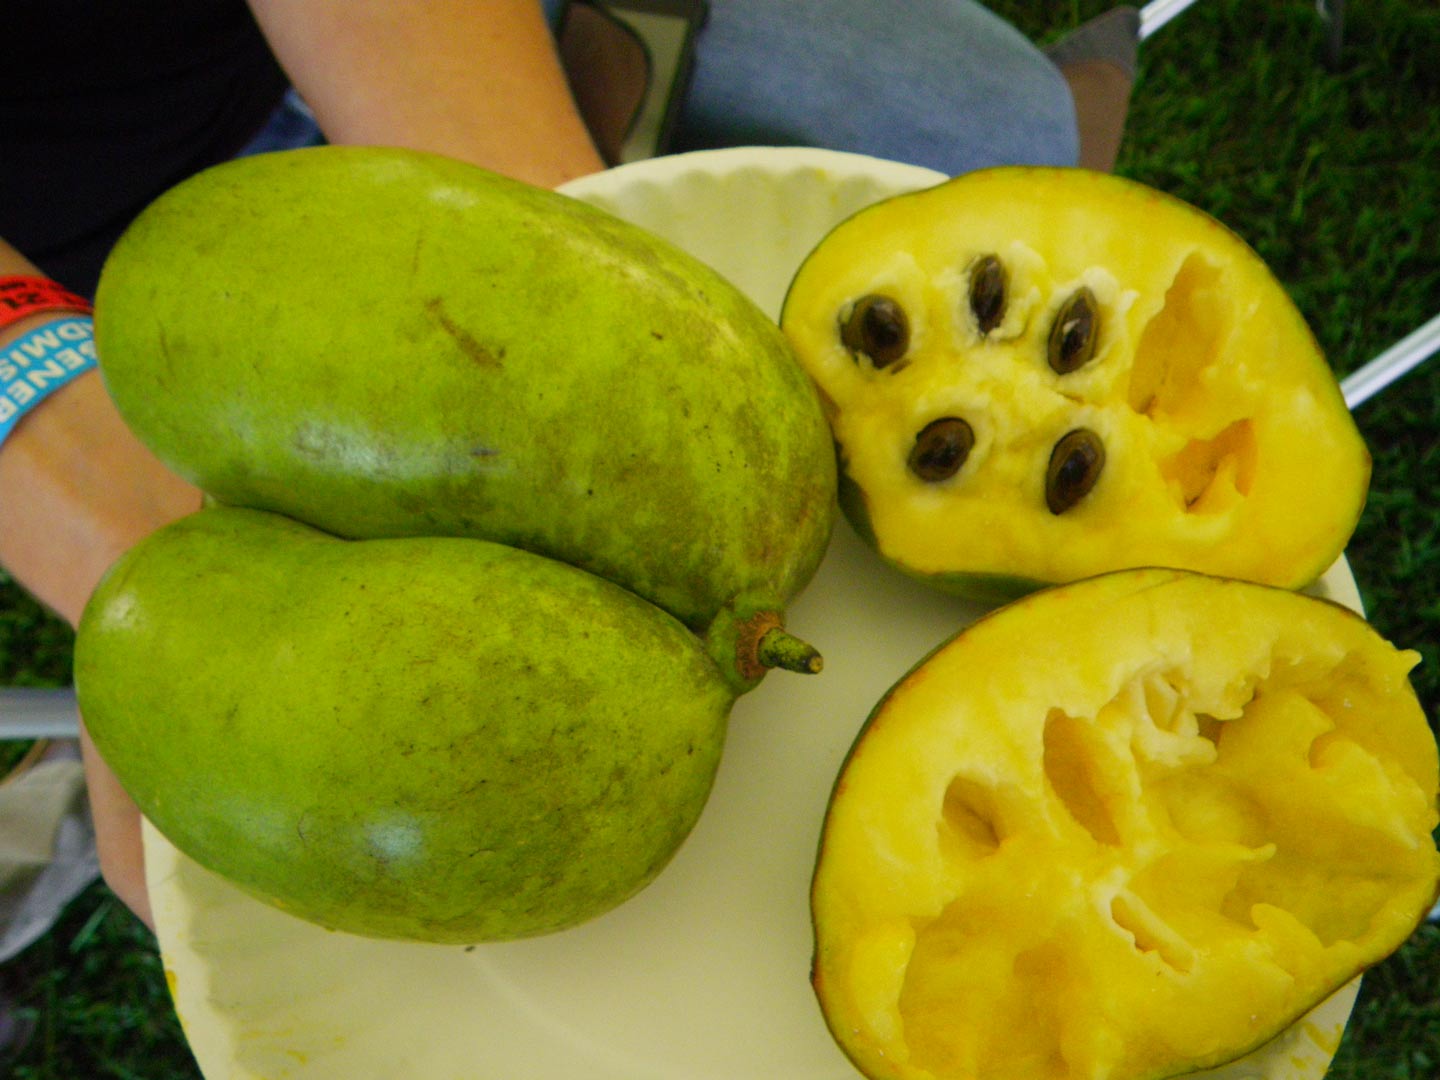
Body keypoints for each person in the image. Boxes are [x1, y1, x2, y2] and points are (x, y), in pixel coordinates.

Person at [0, 1, 1139, 937]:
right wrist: (55, 435)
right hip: (78, 262)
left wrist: (578, 240)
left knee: (1006, 115)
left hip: (338, 61)